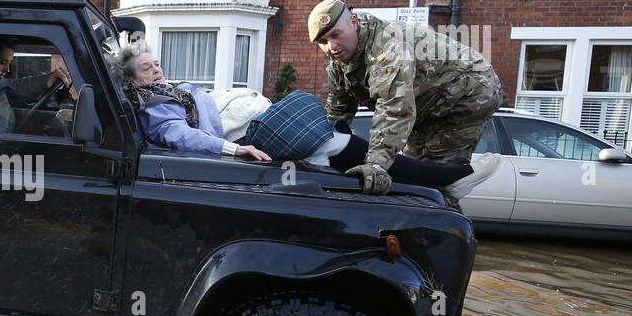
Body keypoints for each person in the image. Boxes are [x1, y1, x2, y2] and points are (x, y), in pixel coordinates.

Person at [309, 0, 504, 195]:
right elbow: (338, 112)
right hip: (426, 103)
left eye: (336, 35)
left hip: (468, 92)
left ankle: (456, 189)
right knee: (412, 177)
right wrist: (316, 146)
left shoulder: (386, 48)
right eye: (323, 42)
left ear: (353, 22)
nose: (331, 46)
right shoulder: (339, 63)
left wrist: (376, 165)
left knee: (436, 182)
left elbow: (395, 107)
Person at [243, 89, 501, 201]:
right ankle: (451, 178)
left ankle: (449, 180)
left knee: (390, 169)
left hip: (309, 147)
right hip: (312, 145)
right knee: (384, 164)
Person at [116, 44, 270, 161]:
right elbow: (182, 136)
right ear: (132, 80)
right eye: (146, 69)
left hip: (244, 108)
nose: (156, 70)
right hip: (242, 129)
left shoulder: (165, 90)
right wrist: (234, 149)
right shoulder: (154, 106)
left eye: (156, 64)